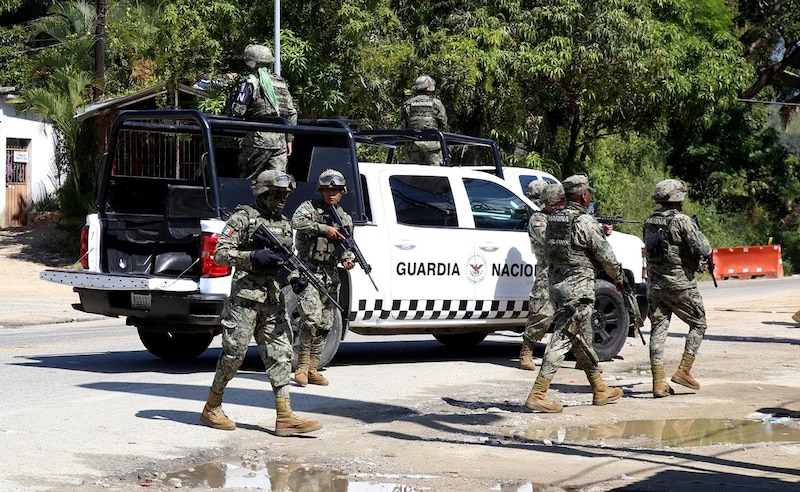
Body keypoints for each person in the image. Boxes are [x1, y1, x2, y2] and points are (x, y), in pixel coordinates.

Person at [200, 169, 322, 437]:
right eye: (276, 195)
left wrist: (294, 278)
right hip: (244, 301)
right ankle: (212, 407)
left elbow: (284, 261)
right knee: (234, 355)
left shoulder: (284, 223)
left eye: (285, 195)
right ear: (262, 193)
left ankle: (285, 416)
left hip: (272, 301)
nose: (281, 200)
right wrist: (252, 256)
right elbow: (220, 254)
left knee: (280, 355)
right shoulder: (243, 218)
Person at [524, 174, 625, 413]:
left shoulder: (554, 219)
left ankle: (600, 389)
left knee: (579, 338)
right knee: (562, 338)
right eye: (588, 193)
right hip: (578, 289)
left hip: (557, 286)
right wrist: (619, 278)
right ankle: (538, 394)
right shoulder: (584, 222)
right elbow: (606, 257)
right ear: (583, 195)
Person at [642, 179, 711, 398]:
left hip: (655, 284)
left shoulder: (649, 221)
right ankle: (684, 370)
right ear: (677, 198)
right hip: (680, 284)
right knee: (699, 323)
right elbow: (705, 248)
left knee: (658, 329)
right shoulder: (683, 221)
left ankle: (659, 382)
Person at [291, 169, 356, 386]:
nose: (331, 194)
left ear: (341, 192)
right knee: (310, 319)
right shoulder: (310, 208)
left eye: (336, 190)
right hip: (308, 270)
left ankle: (313, 368)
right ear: (321, 190)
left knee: (326, 324)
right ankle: (301, 367)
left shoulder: (345, 219)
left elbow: (347, 246)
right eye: (328, 190)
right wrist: (323, 228)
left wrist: (348, 259)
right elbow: (296, 221)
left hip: (330, 275)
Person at [229, 44, 298, 178]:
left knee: (249, 181)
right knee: (277, 183)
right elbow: (291, 113)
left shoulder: (250, 81)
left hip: (257, 140)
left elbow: (238, 110)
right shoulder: (281, 83)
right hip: (280, 142)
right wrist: (289, 139)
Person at [518, 181, 563, 370]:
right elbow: (548, 241)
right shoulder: (538, 219)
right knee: (541, 314)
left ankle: (584, 358)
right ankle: (526, 353)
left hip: (565, 271)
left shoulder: (562, 218)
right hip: (547, 271)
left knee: (576, 315)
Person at [400, 75, 448, 165]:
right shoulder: (436, 103)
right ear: (428, 88)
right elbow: (443, 123)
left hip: (412, 147)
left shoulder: (407, 104)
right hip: (432, 146)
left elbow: (404, 125)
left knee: (412, 175)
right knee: (435, 176)